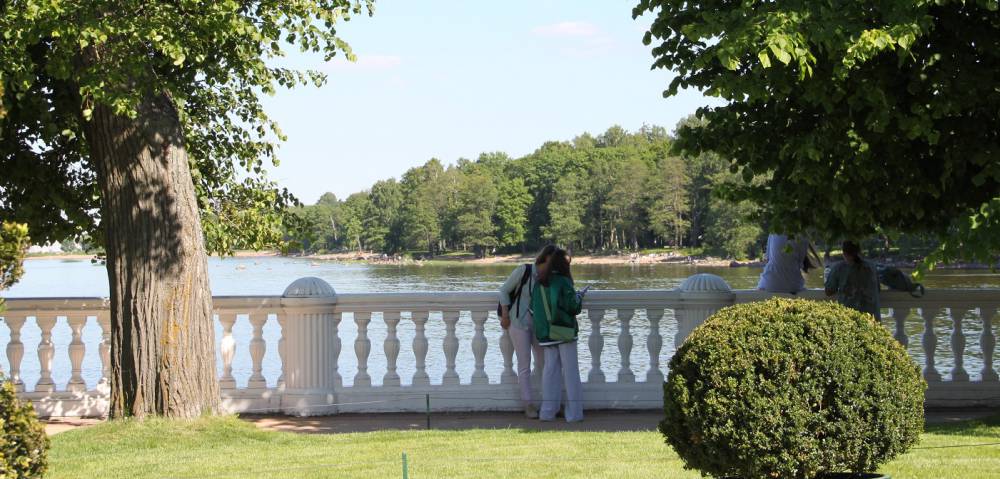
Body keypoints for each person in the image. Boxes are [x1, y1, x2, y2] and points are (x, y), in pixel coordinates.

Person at [498, 245, 555, 418]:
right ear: (544, 258)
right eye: (551, 262)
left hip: (540, 326)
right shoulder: (524, 270)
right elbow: (504, 290)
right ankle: (528, 404)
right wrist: (505, 315)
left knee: (544, 364)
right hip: (518, 323)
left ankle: (550, 402)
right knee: (524, 365)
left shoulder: (550, 277)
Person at [531, 248, 585, 422]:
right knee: (570, 372)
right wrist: (579, 297)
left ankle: (547, 412)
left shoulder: (539, 283)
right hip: (564, 330)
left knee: (549, 371)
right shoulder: (563, 281)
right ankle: (574, 414)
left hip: (546, 333)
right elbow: (572, 306)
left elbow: (533, 309)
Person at [825, 240, 881, 320]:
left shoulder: (839, 268)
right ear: (859, 251)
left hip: (850, 319)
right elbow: (878, 289)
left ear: (844, 253)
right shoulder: (872, 267)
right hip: (873, 319)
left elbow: (828, 291)